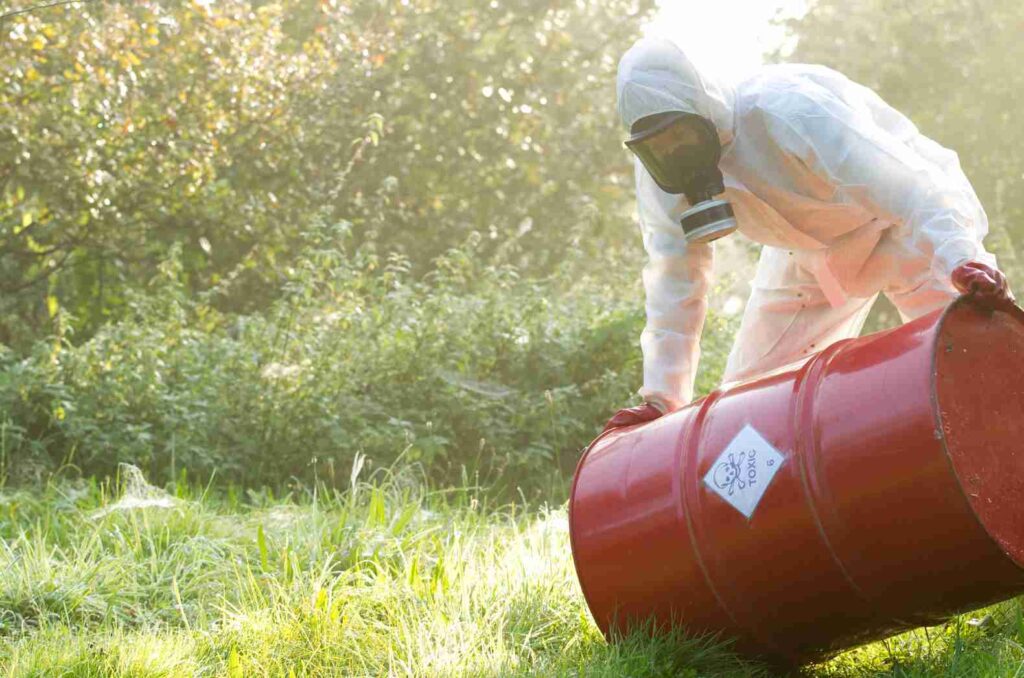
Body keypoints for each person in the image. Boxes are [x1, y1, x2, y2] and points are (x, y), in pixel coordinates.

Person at [604, 37, 1015, 432]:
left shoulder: (789, 109)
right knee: (744, 408)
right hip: (805, 254)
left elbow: (911, 189)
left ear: (705, 109)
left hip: (905, 227)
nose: (674, 152)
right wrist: (662, 398)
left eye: (681, 136)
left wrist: (962, 259)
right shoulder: (661, 176)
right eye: (660, 146)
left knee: (982, 361)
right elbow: (675, 279)